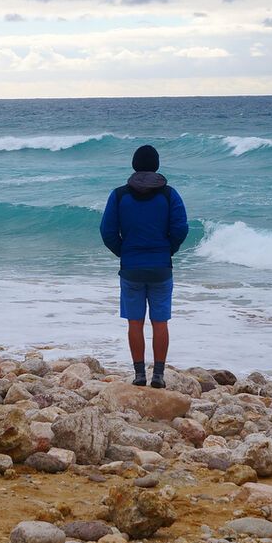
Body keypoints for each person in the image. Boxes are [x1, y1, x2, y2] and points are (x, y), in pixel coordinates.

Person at [100, 144, 188, 388]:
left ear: (134, 165)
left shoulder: (119, 195)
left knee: (135, 322)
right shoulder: (169, 194)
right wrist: (167, 249)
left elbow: (107, 231)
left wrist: (124, 252)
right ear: (157, 165)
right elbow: (180, 228)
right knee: (160, 323)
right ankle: (158, 375)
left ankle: (139, 374)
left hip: (131, 268)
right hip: (161, 267)